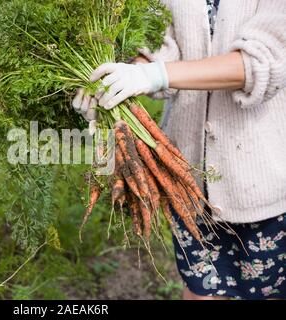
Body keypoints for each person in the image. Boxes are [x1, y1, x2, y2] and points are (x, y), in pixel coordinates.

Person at [72, 0, 286, 300]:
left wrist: (156, 75)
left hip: (262, 183)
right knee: (199, 292)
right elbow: (163, 47)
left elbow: (259, 63)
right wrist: (116, 82)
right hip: (186, 178)